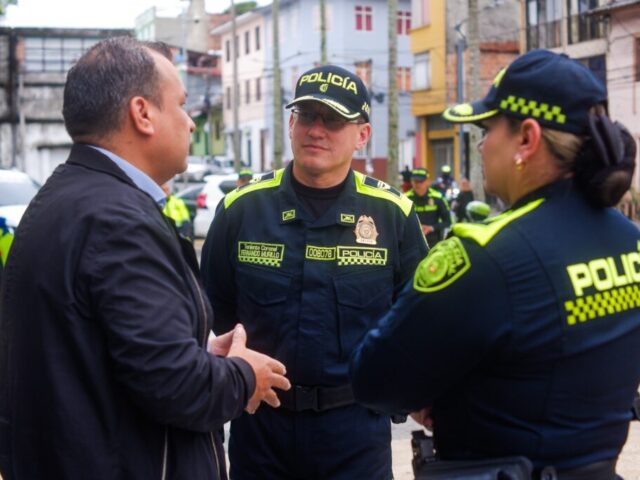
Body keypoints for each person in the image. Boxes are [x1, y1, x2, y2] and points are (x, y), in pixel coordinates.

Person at [0, 37, 290, 480]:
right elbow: (175, 385)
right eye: (181, 104)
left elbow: (101, 352)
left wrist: (196, 350)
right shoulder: (116, 220)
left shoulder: (65, 197)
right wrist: (243, 376)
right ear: (143, 113)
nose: (191, 123)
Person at [350, 49, 640, 478]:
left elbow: (375, 378)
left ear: (527, 138)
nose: (482, 145)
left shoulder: (485, 255)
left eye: (487, 129)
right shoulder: (629, 242)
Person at [201, 64, 427, 480]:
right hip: (262, 425)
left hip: (355, 433)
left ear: (362, 135)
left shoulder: (392, 215)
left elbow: (417, 320)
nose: (316, 130)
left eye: (333, 120)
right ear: (291, 123)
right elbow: (212, 306)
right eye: (306, 116)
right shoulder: (243, 209)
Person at [406, 167, 451, 247]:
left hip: (434, 243)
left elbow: (448, 221)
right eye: (415, 181)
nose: (418, 184)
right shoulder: (405, 198)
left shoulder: (438, 198)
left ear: (428, 181)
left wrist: (431, 228)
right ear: (411, 181)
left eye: (421, 181)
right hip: (411, 243)